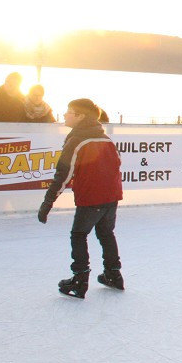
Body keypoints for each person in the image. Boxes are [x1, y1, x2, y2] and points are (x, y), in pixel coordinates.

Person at [37, 98, 124, 299]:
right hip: (111, 198)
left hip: (91, 199)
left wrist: (47, 203)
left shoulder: (77, 140)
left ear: (81, 116)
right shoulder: (106, 139)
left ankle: (79, 280)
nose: (65, 115)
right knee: (106, 234)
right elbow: (117, 166)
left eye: (70, 112)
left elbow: (63, 174)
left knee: (79, 234)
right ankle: (113, 274)